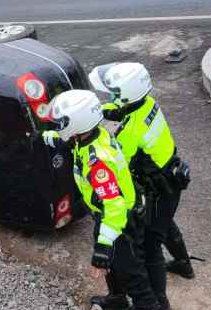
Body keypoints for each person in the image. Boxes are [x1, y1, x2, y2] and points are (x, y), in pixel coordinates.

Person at [42, 90, 159, 310]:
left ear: (75, 125)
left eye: (60, 124)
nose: (58, 128)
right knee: (113, 265)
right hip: (106, 216)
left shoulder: (98, 164)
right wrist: (50, 137)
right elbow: (70, 140)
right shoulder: (92, 135)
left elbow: (114, 207)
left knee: (134, 278)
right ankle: (117, 299)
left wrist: (103, 248)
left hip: (120, 222)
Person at [91, 63, 193, 309]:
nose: (113, 98)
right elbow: (121, 110)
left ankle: (160, 301)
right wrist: (99, 111)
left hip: (160, 188)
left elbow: (118, 165)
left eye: (115, 94)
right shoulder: (148, 103)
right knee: (164, 222)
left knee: (150, 244)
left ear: (127, 95)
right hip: (171, 176)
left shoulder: (130, 134)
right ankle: (183, 264)